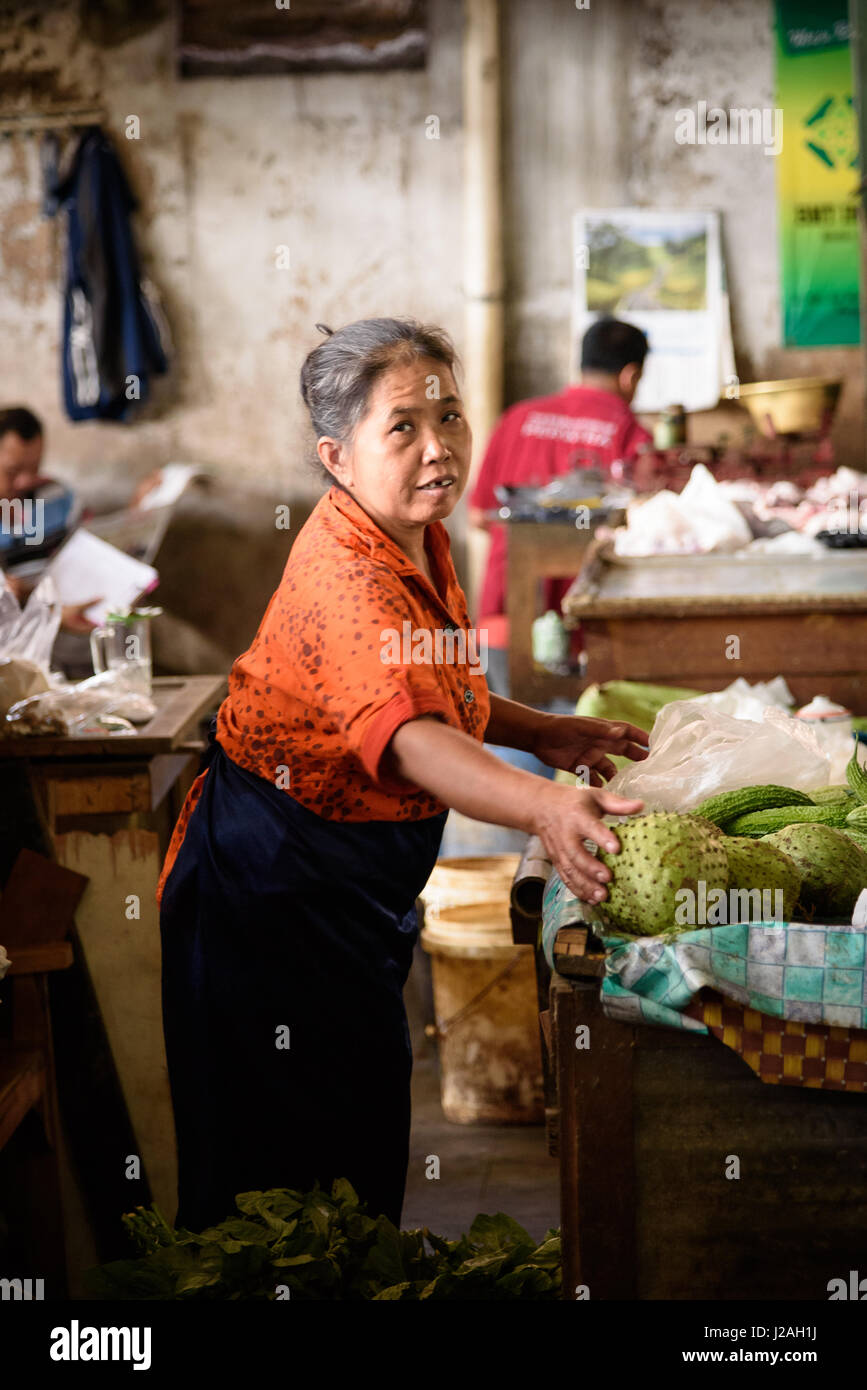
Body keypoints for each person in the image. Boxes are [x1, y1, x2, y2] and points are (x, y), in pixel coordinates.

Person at [156, 317, 648, 1234]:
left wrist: (540, 732)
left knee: (353, 1154)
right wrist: (543, 807)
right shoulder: (349, 575)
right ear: (336, 457)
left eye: (450, 417)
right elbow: (413, 736)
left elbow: (442, 686)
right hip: (268, 897)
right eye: (403, 428)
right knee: (277, 1195)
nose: (440, 448)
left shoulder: (420, 539)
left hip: (345, 898)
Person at [468, 317, 652, 695]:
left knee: (503, 743)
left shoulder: (517, 418)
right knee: (586, 743)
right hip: (588, 638)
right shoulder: (632, 434)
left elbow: (478, 515)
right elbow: (647, 533)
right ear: (630, 376)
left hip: (506, 625)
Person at [0, 406, 98, 633]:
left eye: (34, 469)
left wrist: (139, 509)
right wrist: (50, 613)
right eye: (13, 471)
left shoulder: (56, 497)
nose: (24, 481)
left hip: (71, 617)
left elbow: (96, 548)